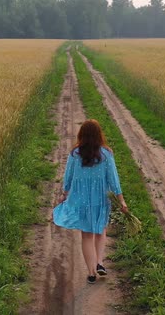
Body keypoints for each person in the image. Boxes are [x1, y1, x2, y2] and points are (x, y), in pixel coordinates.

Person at [52, 119, 129, 284]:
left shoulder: (75, 154)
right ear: (99, 135)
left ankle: (91, 272)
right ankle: (100, 263)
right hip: (101, 200)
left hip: (80, 200)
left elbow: (68, 177)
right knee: (101, 231)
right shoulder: (107, 154)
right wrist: (121, 201)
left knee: (87, 236)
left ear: (82, 135)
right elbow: (114, 180)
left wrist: (64, 194)